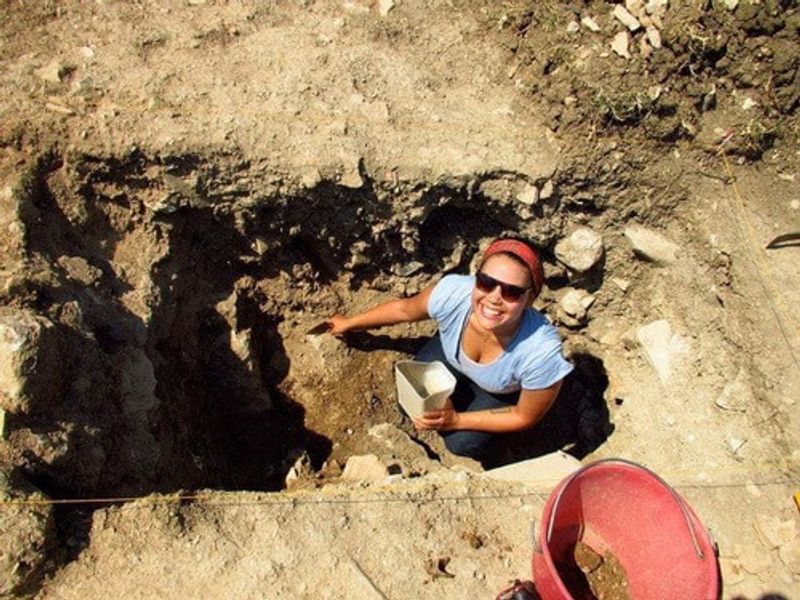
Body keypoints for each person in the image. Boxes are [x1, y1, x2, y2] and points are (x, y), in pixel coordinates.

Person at [328, 237, 573, 461]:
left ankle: (503, 450)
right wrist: (349, 323)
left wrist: (456, 420)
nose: (494, 297)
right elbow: (404, 310)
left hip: (499, 390)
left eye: (512, 291)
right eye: (487, 282)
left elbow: (524, 415)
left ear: (529, 299)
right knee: (412, 399)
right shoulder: (453, 293)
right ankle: (459, 400)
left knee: (461, 442)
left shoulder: (540, 352)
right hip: (451, 356)